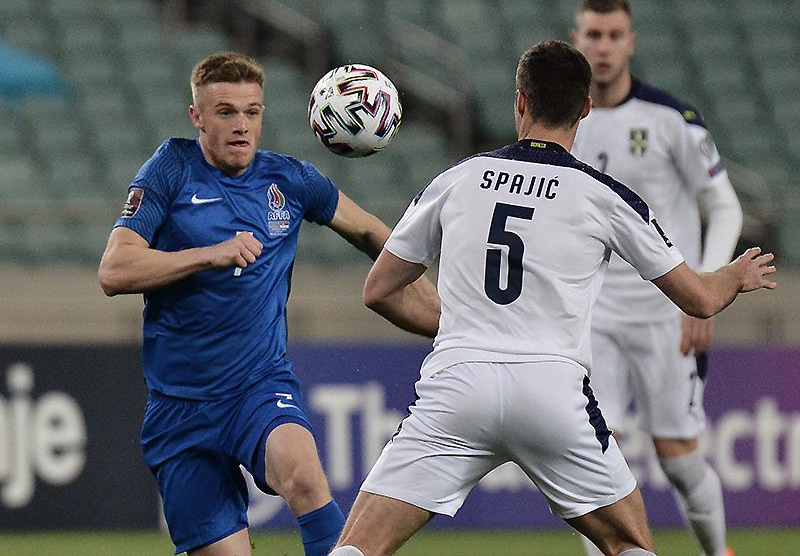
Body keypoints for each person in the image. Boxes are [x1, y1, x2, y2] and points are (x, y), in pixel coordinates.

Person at [328, 40, 776, 556]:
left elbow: (379, 289)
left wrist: (456, 326)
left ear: (520, 101)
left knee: (358, 547)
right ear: (585, 108)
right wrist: (734, 275)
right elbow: (698, 299)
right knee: (628, 543)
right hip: (552, 392)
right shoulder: (604, 196)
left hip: (457, 386)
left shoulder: (457, 179)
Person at [97, 52, 438, 556]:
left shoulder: (290, 180)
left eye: (252, 112)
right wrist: (209, 255)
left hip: (257, 386)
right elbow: (114, 271)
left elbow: (371, 231)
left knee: (304, 477)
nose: (241, 125)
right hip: (179, 409)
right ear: (197, 117)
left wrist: (442, 312)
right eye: (226, 112)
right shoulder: (170, 169)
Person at [570, 0, 744, 556]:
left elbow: (724, 206)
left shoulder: (672, 119)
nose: (603, 47)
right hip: (593, 318)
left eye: (613, 36)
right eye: (593, 35)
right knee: (594, 460)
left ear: (631, 42)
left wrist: (706, 290)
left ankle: (718, 552)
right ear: (576, 40)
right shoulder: (564, 122)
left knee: (680, 461)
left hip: (666, 315)